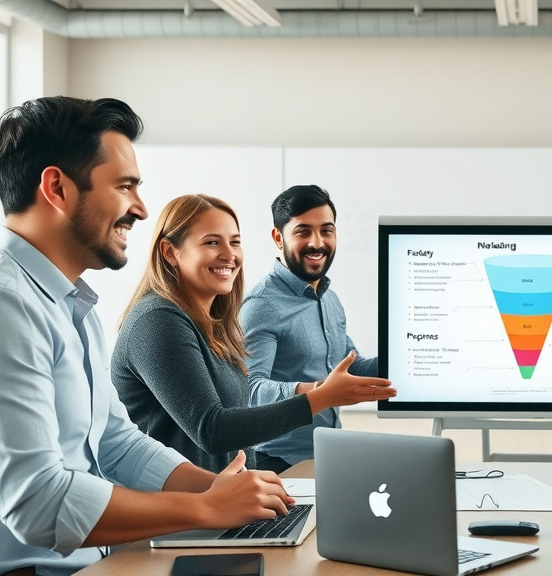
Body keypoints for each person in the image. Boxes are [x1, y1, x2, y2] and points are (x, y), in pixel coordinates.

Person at [0, 97, 292, 576]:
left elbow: (117, 442)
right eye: (125, 186)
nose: (140, 208)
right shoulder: (10, 304)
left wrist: (218, 490)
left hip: (102, 563)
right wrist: (206, 509)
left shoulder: (71, 302)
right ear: (56, 188)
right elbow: (36, 502)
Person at [111, 194, 395, 473]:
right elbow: (213, 429)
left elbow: (240, 406)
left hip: (222, 499)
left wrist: (406, 353)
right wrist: (318, 396)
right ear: (170, 252)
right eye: (212, 242)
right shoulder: (158, 321)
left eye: (235, 242)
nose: (229, 254)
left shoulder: (216, 324)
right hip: (188, 508)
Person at [240, 184, 379, 473]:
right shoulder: (261, 304)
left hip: (327, 457)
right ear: (278, 238)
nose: (318, 242)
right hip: (276, 465)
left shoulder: (330, 299)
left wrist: (405, 357)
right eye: (303, 231)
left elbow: (348, 366)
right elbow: (249, 392)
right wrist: (319, 391)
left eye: (327, 231)